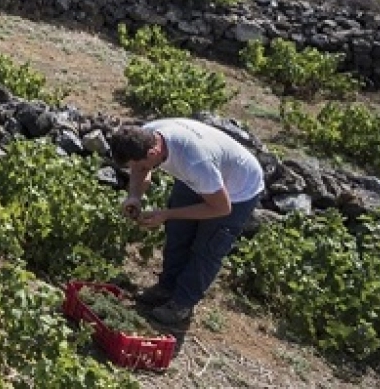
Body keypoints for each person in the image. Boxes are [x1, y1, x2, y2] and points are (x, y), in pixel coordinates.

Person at [109, 118, 265, 326]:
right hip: (200, 178)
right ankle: (167, 288)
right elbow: (140, 170)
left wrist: (167, 214)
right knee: (178, 232)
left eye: (140, 164)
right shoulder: (145, 135)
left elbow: (221, 208)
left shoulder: (196, 162)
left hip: (237, 191)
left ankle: (182, 304)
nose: (137, 169)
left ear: (153, 154)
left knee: (207, 248)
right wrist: (134, 196)